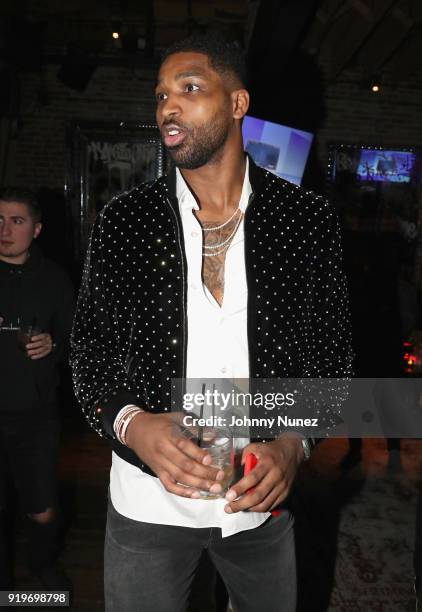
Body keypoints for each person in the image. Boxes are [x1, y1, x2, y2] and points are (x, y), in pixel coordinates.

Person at [70, 32, 353, 611]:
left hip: (259, 504)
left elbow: (332, 361)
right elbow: (90, 353)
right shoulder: (124, 222)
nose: (167, 106)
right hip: (148, 502)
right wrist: (132, 425)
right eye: (160, 95)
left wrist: (294, 445)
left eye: (189, 88)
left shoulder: (306, 220)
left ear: (237, 104)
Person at [0, 188, 74, 591]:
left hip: (36, 417)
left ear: (37, 229)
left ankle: (41, 571)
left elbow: (78, 339)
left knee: (41, 511)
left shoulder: (54, 279)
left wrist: (54, 344)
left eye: (16, 221)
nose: (5, 229)